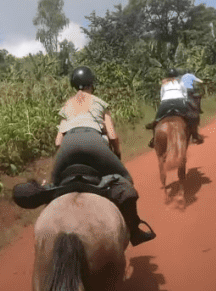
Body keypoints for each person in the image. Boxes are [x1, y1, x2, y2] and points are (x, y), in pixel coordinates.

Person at [52, 66, 156, 246]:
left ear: (73, 85)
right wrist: (117, 153)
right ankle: (135, 232)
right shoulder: (98, 102)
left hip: (67, 144)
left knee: (51, 188)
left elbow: (57, 142)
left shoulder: (67, 105)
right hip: (94, 142)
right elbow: (112, 135)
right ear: (92, 84)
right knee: (125, 180)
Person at [147, 68, 203, 147]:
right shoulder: (181, 83)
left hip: (165, 104)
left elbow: (161, 96)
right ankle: (194, 135)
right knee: (190, 117)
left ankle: (154, 139)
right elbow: (184, 95)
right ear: (177, 76)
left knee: (157, 120)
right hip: (179, 102)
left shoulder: (164, 84)